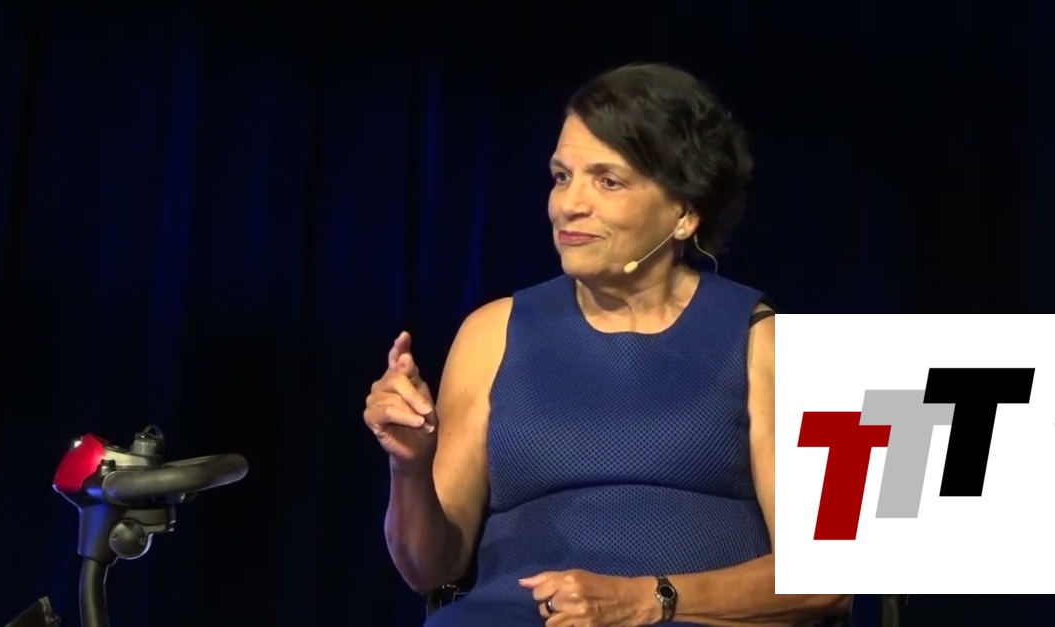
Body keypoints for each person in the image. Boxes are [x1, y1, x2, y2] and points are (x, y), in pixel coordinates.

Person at [364, 63, 851, 626]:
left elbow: (829, 579)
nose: (568, 204)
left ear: (684, 213)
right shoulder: (492, 333)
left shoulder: (761, 339)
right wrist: (409, 467)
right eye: (561, 176)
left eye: (608, 181)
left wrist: (647, 599)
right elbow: (428, 568)